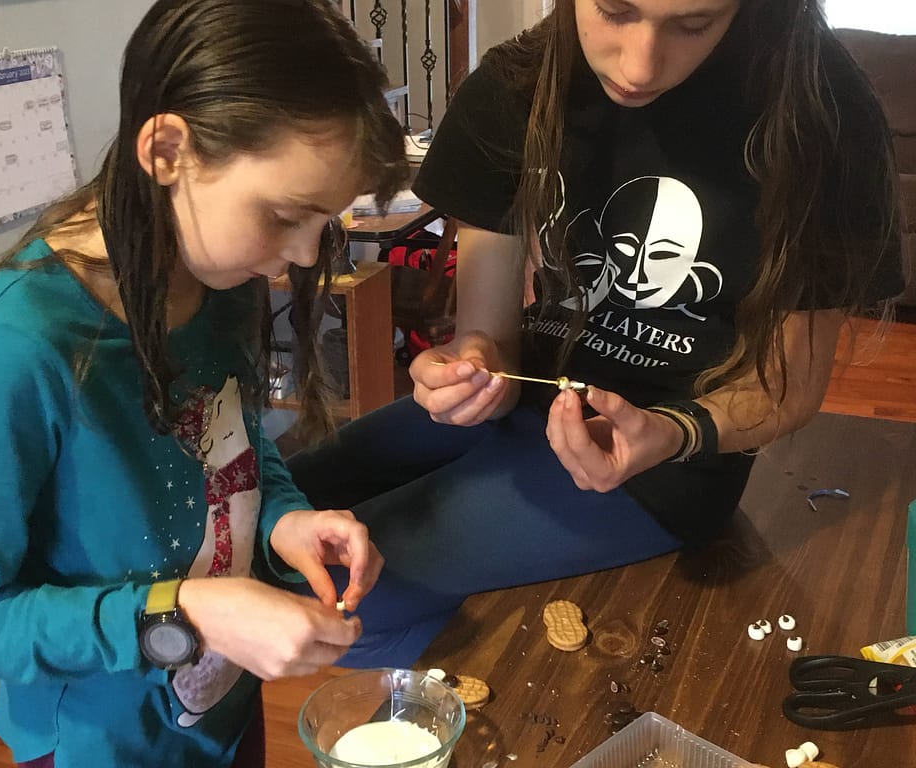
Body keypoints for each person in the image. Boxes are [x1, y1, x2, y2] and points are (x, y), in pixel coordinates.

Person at [286, 0, 908, 668]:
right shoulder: (514, 88)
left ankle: (478, 673)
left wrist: (674, 431)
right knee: (262, 517)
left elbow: (785, 389)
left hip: (666, 466)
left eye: (693, 25)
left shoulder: (822, 115)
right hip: (524, 404)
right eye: (614, 11)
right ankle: (463, 640)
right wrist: (472, 369)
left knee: (316, 596)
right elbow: (488, 338)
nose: (639, 66)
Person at [0, 1, 409, 766]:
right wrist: (184, 614)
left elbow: (230, 448)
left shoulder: (219, 270)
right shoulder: (17, 346)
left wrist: (282, 521)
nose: (303, 257)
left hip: (219, 716)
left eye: (323, 223)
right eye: (282, 216)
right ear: (167, 149)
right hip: (98, 749)